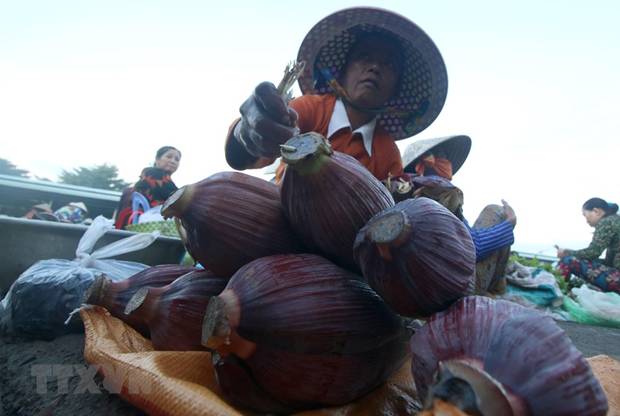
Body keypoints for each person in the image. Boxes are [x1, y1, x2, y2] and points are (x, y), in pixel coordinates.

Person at [224, 7, 448, 185]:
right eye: (364, 56)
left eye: (388, 64)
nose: (374, 67)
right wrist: (247, 131)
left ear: (397, 88)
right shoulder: (312, 109)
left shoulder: (387, 153)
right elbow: (246, 155)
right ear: (342, 72)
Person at [399, 135, 517, 295]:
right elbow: (471, 248)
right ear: (431, 161)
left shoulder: (402, 190)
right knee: (496, 210)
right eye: (445, 158)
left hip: (410, 289)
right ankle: (495, 291)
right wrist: (508, 225)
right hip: (449, 289)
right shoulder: (441, 190)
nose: (448, 164)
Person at [556, 198, 620, 294]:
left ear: (596, 211)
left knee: (568, 260)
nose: (586, 220)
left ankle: (557, 293)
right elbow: (608, 263)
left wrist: (566, 252)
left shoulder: (606, 222)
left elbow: (593, 253)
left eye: (585, 215)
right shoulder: (615, 220)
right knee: (580, 271)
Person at [114, 146, 181, 229]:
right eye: (169, 157)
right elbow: (177, 198)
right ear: (157, 160)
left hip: (145, 223)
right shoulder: (152, 173)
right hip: (141, 223)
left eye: (177, 159)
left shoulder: (167, 180)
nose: (173, 161)